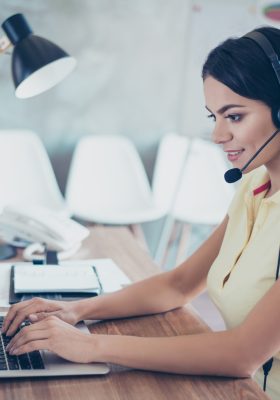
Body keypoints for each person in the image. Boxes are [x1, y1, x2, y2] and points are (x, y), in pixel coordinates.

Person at [2, 26, 280, 399]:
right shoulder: (254, 187)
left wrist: (90, 347)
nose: (217, 136)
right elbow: (179, 284)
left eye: (234, 116)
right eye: (213, 116)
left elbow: (241, 354)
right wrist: (75, 310)